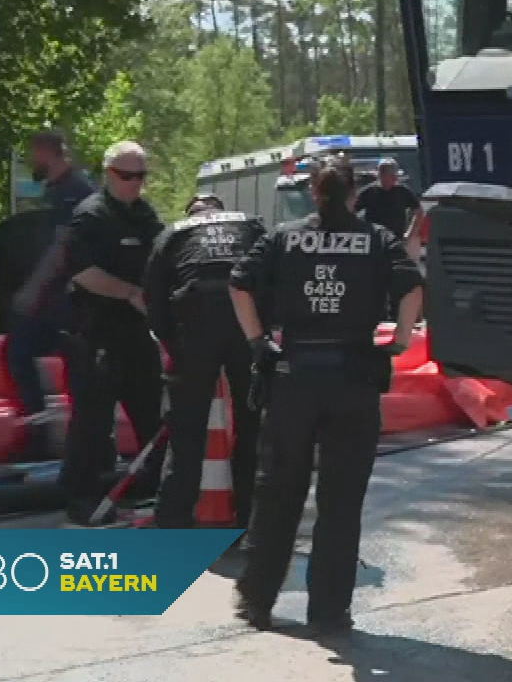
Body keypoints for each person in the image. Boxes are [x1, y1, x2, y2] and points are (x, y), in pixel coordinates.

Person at [229, 152, 424, 633]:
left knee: (277, 491)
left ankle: (256, 600)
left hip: (293, 376)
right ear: (354, 195)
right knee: (340, 500)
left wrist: (258, 342)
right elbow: (412, 287)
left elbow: (239, 282)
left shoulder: (284, 236)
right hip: (353, 378)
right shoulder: (374, 239)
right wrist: (398, 341)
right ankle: (329, 611)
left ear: (314, 192)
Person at [145, 193, 267, 532]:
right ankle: (253, 518)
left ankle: (173, 522)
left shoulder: (173, 234)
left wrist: (175, 350)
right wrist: (263, 337)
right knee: (252, 424)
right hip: (245, 322)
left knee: (186, 433)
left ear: (192, 213)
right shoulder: (250, 224)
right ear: (220, 211)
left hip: (195, 322)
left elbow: (153, 301)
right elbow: (276, 277)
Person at [61, 140, 167, 526]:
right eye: (127, 176)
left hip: (138, 333)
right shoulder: (91, 216)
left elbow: (164, 256)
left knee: (152, 411)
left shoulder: (144, 216)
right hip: (97, 332)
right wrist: (129, 293)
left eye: (141, 176)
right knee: (92, 419)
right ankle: (81, 496)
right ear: (109, 174)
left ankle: (156, 487)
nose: (135, 184)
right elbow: (84, 273)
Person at [4, 129, 96, 458]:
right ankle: (44, 434)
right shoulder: (57, 189)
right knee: (20, 354)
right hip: (55, 297)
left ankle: (64, 439)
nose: (32, 161)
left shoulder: (74, 190)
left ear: (47, 152)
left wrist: (32, 290)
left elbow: (62, 247)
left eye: (34, 153)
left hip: (66, 297)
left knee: (38, 356)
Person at [353, 157, 420, 243]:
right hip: (375, 239)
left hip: (396, 239)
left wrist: (409, 234)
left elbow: (418, 211)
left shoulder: (403, 191)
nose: (395, 179)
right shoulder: (368, 192)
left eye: (395, 176)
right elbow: (352, 211)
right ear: (380, 175)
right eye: (391, 176)